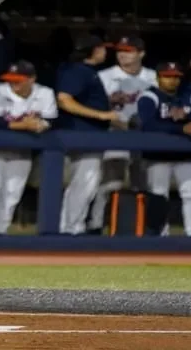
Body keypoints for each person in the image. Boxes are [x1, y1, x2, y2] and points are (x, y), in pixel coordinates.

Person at [0, 61, 57, 235]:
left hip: (22, 151)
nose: (13, 82)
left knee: (13, 193)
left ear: (32, 79)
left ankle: (1, 232)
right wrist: (24, 125)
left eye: (18, 79)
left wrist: (40, 125)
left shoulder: (44, 93)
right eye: (11, 78)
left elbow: (51, 120)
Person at [88, 36, 157, 234]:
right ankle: (95, 224)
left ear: (141, 53)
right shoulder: (104, 76)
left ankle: (145, 227)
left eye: (128, 50)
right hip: (115, 133)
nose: (122, 54)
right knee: (111, 182)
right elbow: (96, 108)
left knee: (144, 183)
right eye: (120, 50)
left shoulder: (154, 77)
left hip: (145, 136)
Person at [56, 35, 119, 235]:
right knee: (85, 183)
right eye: (102, 48)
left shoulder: (83, 71)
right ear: (93, 50)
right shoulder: (78, 70)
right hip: (83, 135)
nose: (105, 52)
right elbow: (64, 100)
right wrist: (101, 114)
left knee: (83, 183)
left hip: (86, 134)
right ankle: (71, 228)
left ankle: (69, 227)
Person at [136, 62, 191, 236]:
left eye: (176, 77)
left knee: (190, 194)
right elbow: (149, 125)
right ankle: (161, 236)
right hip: (158, 156)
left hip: (185, 155)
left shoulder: (187, 97)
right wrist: (181, 128)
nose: (172, 80)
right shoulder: (149, 96)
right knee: (159, 195)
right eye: (168, 76)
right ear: (158, 77)